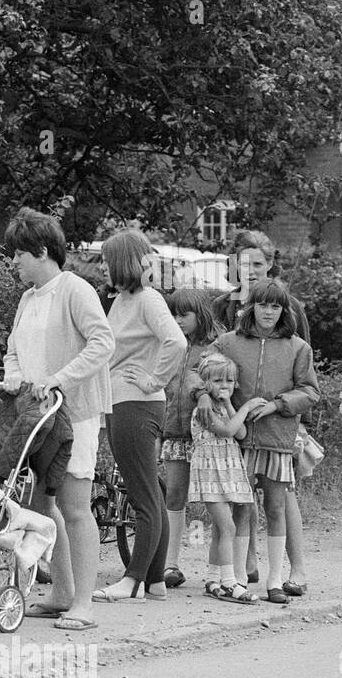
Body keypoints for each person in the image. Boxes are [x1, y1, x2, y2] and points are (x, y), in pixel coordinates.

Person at [2, 207, 114, 631]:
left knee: (75, 505)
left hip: (75, 413)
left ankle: (83, 603)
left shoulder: (76, 290)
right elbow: (13, 351)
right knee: (44, 505)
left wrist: (58, 380)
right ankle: (62, 593)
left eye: (18, 254)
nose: (13, 262)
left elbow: (102, 343)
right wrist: (15, 379)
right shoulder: (27, 298)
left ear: (42, 251)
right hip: (37, 416)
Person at [187, 278, 320, 603]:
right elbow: (195, 369)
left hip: (277, 439)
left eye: (276, 306)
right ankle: (231, 577)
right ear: (251, 307)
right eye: (263, 304)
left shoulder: (298, 347)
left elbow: (311, 391)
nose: (269, 312)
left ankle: (275, 580)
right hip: (239, 445)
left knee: (275, 507)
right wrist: (202, 393)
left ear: (284, 310)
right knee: (240, 510)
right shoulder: (229, 342)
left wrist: (278, 404)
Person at [93, 229, 186, 603]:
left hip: (136, 403)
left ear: (122, 262)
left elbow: (176, 341)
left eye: (105, 261)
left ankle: (131, 581)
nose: (102, 267)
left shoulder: (149, 299)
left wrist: (154, 379)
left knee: (143, 495)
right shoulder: (123, 301)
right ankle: (155, 582)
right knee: (149, 492)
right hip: (123, 401)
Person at [223, 230, 313, 595]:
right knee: (241, 499)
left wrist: (289, 413)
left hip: (281, 427)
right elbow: (213, 361)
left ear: (270, 264)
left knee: (281, 496)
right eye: (243, 264)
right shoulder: (225, 307)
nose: (250, 270)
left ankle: (295, 571)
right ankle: (244, 568)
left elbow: (305, 375)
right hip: (239, 427)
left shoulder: (289, 309)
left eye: (258, 264)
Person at [160, 289, 222, 587]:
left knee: (214, 499)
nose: (177, 320)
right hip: (173, 431)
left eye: (184, 314)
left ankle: (220, 569)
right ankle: (170, 564)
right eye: (173, 314)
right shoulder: (168, 346)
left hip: (206, 435)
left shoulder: (214, 348)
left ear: (200, 314)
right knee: (174, 494)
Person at [187, 353, 261, 604]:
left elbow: (240, 433)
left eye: (230, 381)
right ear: (205, 383)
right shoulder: (203, 409)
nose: (225, 385)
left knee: (221, 529)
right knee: (228, 526)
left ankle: (212, 579)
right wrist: (247, 407)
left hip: (226, 473)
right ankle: (229, 582)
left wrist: (230, 405)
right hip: (210, 475)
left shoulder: (222, 407)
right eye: (218, 381)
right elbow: (229, 430)